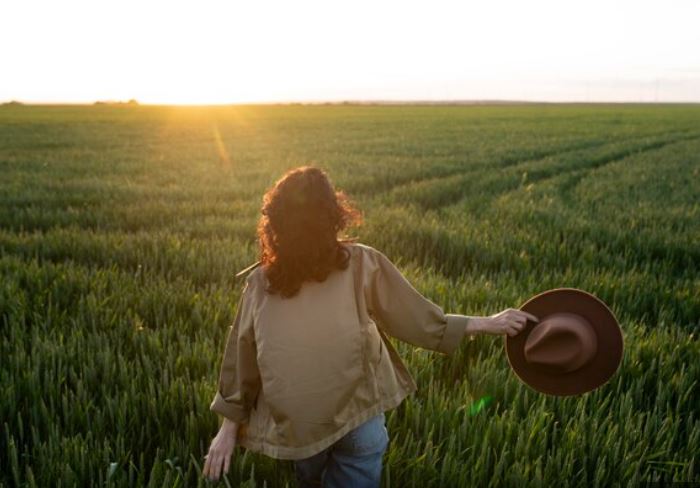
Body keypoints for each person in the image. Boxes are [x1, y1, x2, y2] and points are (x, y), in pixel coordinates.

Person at [202, 166, 538, 487]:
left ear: (276, 223)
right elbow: (418, 322)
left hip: (299, 429)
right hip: (359, 419)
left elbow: (242, 359)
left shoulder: (262, 282)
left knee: (311, 480)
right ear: (333, 216)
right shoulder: (360, 262)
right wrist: (487, 322)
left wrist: (228, 429)